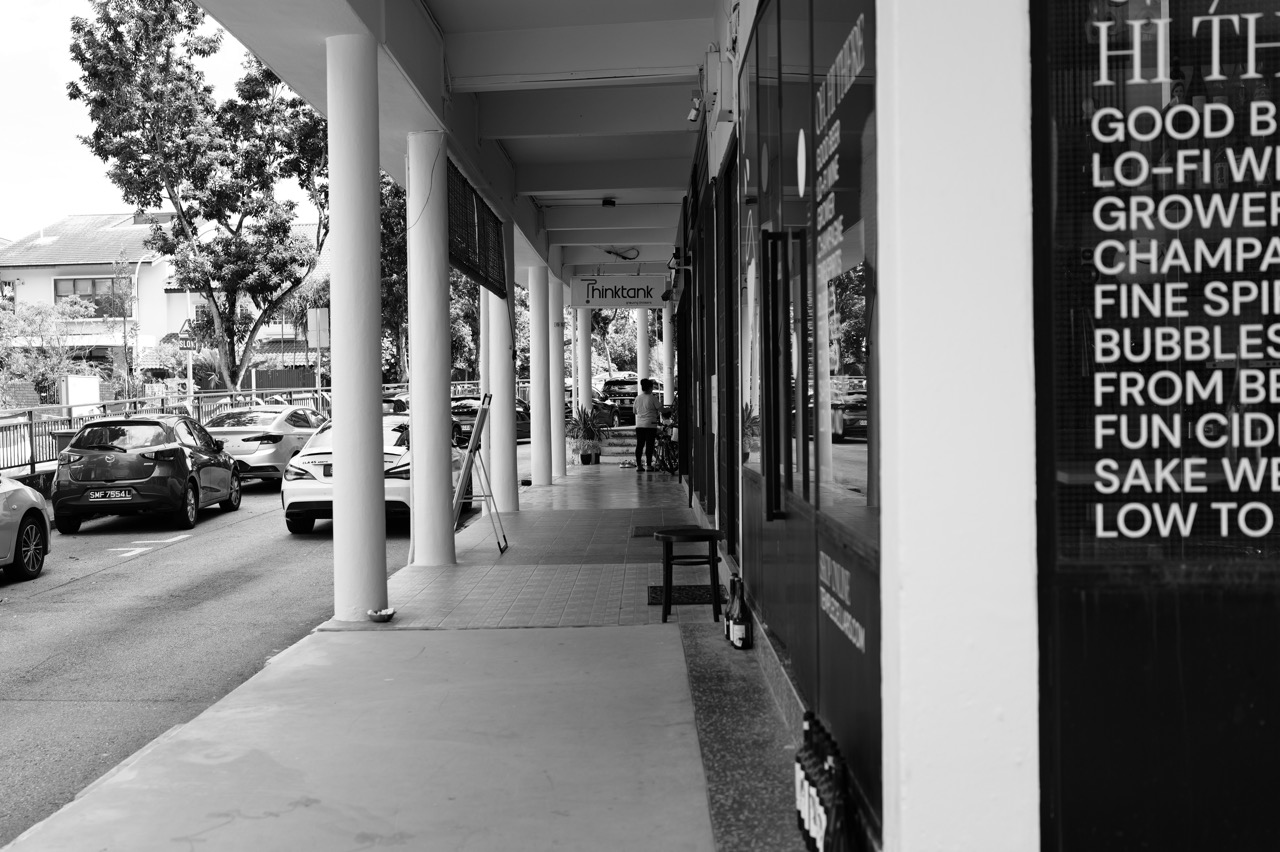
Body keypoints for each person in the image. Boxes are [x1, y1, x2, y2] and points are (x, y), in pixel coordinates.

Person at [633, 377, 661, 472]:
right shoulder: (652, 398)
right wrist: (669, 409)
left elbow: (634, 412)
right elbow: (661, 409)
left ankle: (639, 466)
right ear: (650, 388)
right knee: (649, 445)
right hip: (650, 425)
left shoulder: (637, 398)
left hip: (639, 425)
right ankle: (649, 466)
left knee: (639, 445)